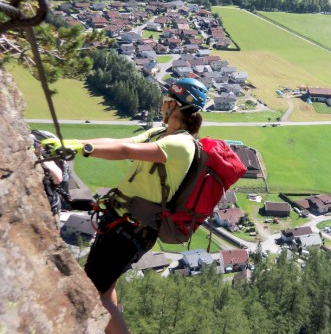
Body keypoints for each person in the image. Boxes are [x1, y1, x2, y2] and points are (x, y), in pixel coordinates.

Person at [42, 77, 208, 334]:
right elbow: (121, 143)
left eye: (167, 102)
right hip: (123, 223)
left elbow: (125, 151)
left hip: (132, 230)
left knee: (91, 295)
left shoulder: (181, 145)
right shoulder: (160, 134)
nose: (163, 107)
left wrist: (81, 148)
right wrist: (74, 144)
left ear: (176, 107)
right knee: (105, 294)